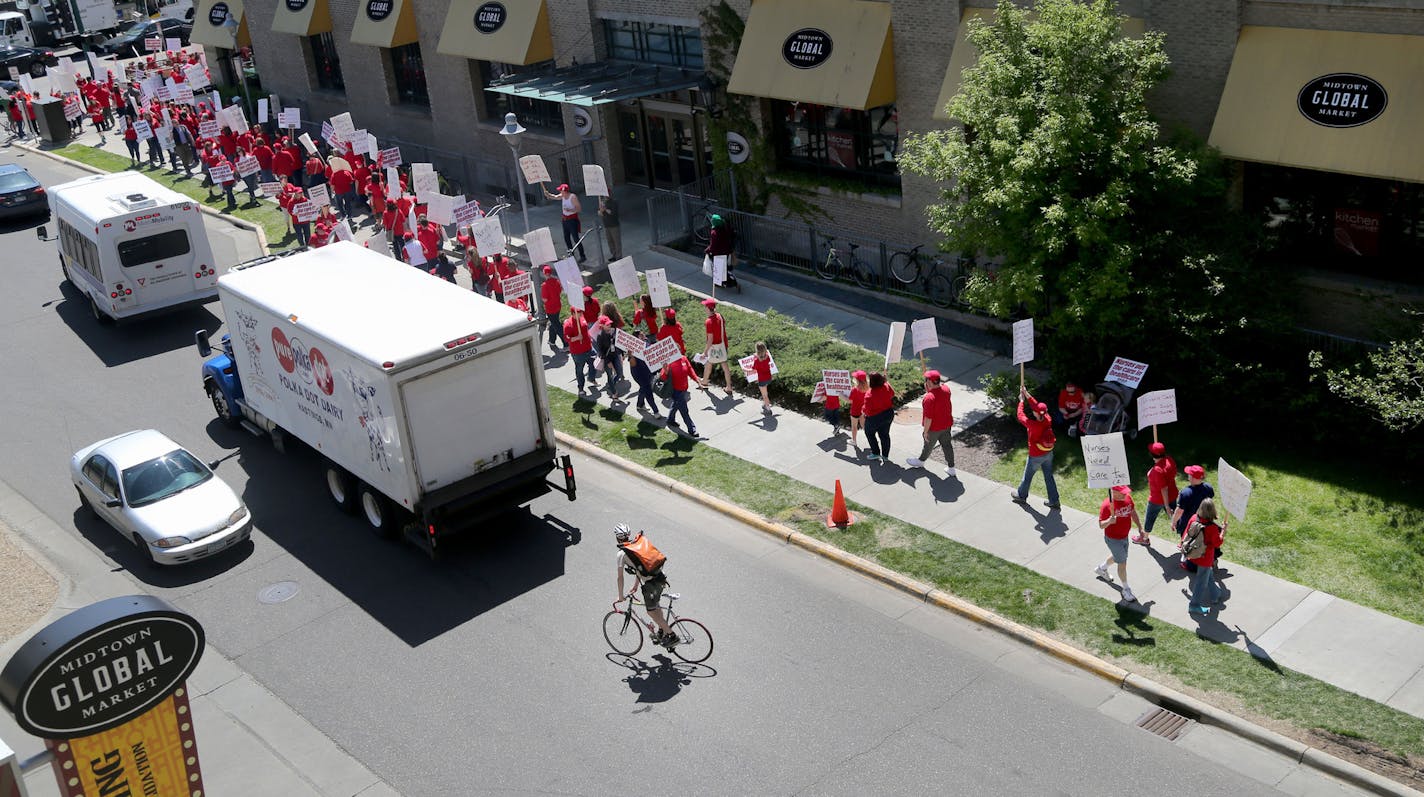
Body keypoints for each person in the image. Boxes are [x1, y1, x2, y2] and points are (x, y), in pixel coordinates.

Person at [613, 523, 676, 647]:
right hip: (661, 577)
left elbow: (620, 577)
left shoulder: (622, 554)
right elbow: (640, 568)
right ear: (629, 535)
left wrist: (620, 596)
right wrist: (636, 585)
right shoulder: (636, 545)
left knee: (651, 611)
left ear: (617, 537)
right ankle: (661, 631)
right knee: (656, 606)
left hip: (651, 584)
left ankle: (672, 636)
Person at [1011, 385, 1060, 508]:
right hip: (1048, 453)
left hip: (1035, 455)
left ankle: (1021, 496)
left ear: (1036, 413)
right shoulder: (1047, 418)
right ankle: (1054, 500)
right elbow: (1036, 406)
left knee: (1027, 477)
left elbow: (1020, 415)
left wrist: (1021, 402)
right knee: (1049, 476)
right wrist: (1026, 394)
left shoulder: (1033, 425)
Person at [1094, 485, 1144, 603]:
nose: (1125, 494)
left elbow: (1133, 512)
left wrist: (1140, 527)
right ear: (1114, 492)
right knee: (1122, 562)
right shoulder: (1107, 505)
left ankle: (1101, 569)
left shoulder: (1127, 498)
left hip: (1124, 537)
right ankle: (1125, 589)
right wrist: (1109, 521)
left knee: (1119, 557)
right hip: (1113, 539)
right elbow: (1101, 525)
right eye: (1122, 493)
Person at [906, 369, 955, 477]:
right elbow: (939, 394)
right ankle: (951, 468)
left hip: (934, 428)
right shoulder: (946, 389)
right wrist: (930, 389)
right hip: (946, 424)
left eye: (926, 379)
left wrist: (925, 431)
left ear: (929, 382)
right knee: (947, 445)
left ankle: (921, 461)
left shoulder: (928, 398)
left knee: (928, 446)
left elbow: (929, 418)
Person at [1182, 498, 1226, 615]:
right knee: (1201, 582)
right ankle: (1194, 605)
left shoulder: (1193, 518)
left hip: (1193, 554)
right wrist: (1223, 532)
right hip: (1205, 558)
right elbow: (1217, 543)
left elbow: (1186, 534)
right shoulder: (1211, 528)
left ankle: (1215, 594)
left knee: (1207, 574)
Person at [1171, 465, 1215, 572]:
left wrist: (1173, 522)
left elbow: (1179, 511)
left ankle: (1191, 564)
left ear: (1193, 478)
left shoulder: (1186, 493)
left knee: (1189, 544)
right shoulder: (1208, 488)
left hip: (1189, 525)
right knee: (1202, 542)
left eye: (1189, 474)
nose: (1188, 475)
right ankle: (1206, 560)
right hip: (1204, 522)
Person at [1141, 441, 1179, 544]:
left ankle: (1144, 538)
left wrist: (1166, 506)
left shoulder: (1157, 470)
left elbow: (1164, 488)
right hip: (1172, 494)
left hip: (1157, 499)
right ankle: (1185, 537)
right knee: (1176, 518)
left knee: (1150, 517)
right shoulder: (1169, 460)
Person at [698, 298, 733, 394]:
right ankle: (729, 387)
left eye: (705, 307)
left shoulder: (708, 322)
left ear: (708, 308)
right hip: (723, 345)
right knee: (725, 366)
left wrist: (704, 352)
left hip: (714, 348)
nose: (704, 308)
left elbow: (710, 340)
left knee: (709, 363)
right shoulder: (720, 316)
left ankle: (704, 382)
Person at [544, 183, 586, 262]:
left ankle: (582, 255)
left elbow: (579, 209)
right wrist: (548, 194)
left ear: (565, 191)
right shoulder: (562, 196)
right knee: (567, 238)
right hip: (565, 220)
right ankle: (571, 254)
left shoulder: (572, 197)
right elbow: (555, 197)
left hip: (572, 220)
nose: (560, 192)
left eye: (561, 191)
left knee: (576, 238)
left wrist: (570, 210)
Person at [862, 371, 896, 463]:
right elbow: (893, 394)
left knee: (869, 433)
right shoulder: (886, 386)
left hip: (874, 418)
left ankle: (876, 452)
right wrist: (886, 381)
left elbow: (867, 411)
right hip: (888, 414)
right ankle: (885, 456)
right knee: (884, 435)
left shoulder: (869, 394)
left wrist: (863, 411)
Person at [663, 353, 699, 437]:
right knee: (684, 410)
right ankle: (692, 430)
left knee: (676, 404)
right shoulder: (668, 362)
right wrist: (665, 371)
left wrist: (697, 380)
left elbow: (690, 370)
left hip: (683, 389)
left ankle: (670, 420)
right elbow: (663, 378)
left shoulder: (684, 358)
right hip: (675, 391)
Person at [630, 333, 660, 418]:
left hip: (648, 371)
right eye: (641, 336)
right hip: (639, 374)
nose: (644, 337)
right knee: (648, 391)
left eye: (643, 335)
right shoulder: (633, 349)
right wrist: (631, 356)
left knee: (643, 388)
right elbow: (633, 364)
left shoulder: (647, 342)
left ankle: (640, 405)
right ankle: (656, 411)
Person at [563, 311, 594, 393]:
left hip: (588, 348)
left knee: (593, 364)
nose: (581, 314)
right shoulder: (568, 324)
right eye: (578, 313)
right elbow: (567, 338)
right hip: (578, 352)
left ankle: (591, 378)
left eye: (581, 313)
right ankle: (581, 388)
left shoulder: (582, 318)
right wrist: (576, 338)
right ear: (573, 314)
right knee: (580, 370)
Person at [705, 214, 738, 290]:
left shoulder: (714, 232)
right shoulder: (725, 228)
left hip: (718, 253)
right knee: (723, 268)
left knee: (718, 268)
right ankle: (724, 282)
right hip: (726, 251)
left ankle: (725, 283)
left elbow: (713, 245)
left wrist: (708, 250)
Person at [539, 266, 565, 349]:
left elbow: (545, 299)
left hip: (550, 308)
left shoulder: (544, 285)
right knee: (554, 322)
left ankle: (566, 343)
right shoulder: (557, 281)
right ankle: (552, 340)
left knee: (557, 325)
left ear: (544, 274)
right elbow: (560, 291)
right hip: (558, 306)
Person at [848, 370, 869, 449]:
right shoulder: (868, 388)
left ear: (857, 380)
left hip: (855, 411)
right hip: (863, 411)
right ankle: (871, 439)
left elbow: (850, 400)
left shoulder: (854, 389)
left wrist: (840, 395)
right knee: (864, 426)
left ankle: (854, 441)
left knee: (854, 427)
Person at [752, 341, 774, 413]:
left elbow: (753, 369)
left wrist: (745, 369)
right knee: (765, 392)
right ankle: (765, 403)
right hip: (768, 377)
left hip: (762, 379)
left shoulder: (756, 361)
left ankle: (768, 408)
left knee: (764, 395)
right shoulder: (767, 357)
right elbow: (765, 357)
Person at [598, 195, 621, 261]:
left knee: (616, 242)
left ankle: (618, 257)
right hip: (606, 225)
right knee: (610, 242)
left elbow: (613, 213)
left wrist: (605, 209)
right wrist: (601, 210)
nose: (605, 197)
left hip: (614, 225)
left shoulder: (614, 202)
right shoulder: (603, 203)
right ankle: (614, 255)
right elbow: (600, 214)